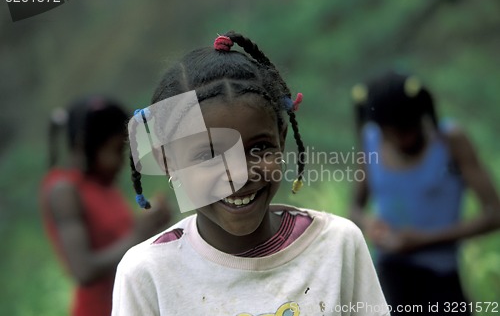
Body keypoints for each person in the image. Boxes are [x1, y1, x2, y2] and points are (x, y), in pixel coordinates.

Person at [111, 31, 390, 316]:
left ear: (281, 140)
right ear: (168, 161)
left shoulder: (336, 246)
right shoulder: (147, 274)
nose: (239, 174)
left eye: (258, 148)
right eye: (209, 155)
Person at [350, 71, 500, 315]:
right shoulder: (371, 141)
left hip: (441, 279)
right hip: (389, 277)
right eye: (390, 132)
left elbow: (494, 214)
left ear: (421, 117)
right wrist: (370, 224)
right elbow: (354, 209)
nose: (400, 139)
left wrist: (423, 240)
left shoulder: (450, 141)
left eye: (406, 128)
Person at [40, 96, 171, 316]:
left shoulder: (103, 184)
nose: (121, 161)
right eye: (115, 151)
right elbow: (83, 270)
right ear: (85, 146)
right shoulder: (64, 190)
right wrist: (138, 235)